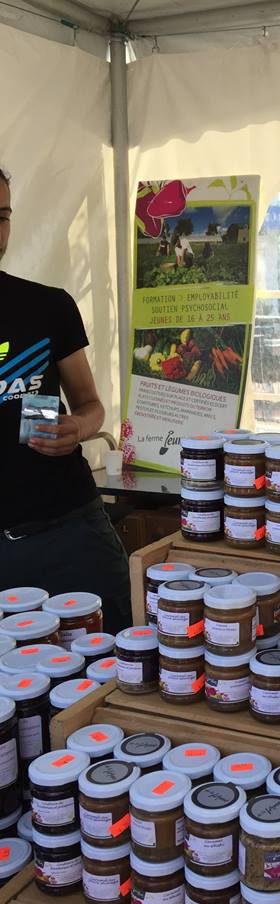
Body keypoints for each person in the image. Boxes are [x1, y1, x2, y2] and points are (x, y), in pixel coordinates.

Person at [0, 166, 132, 633]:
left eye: (3, 215)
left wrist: (76, 428)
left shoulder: (47, 307)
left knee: (119, 668)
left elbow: (91, 405)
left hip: (71, 532)